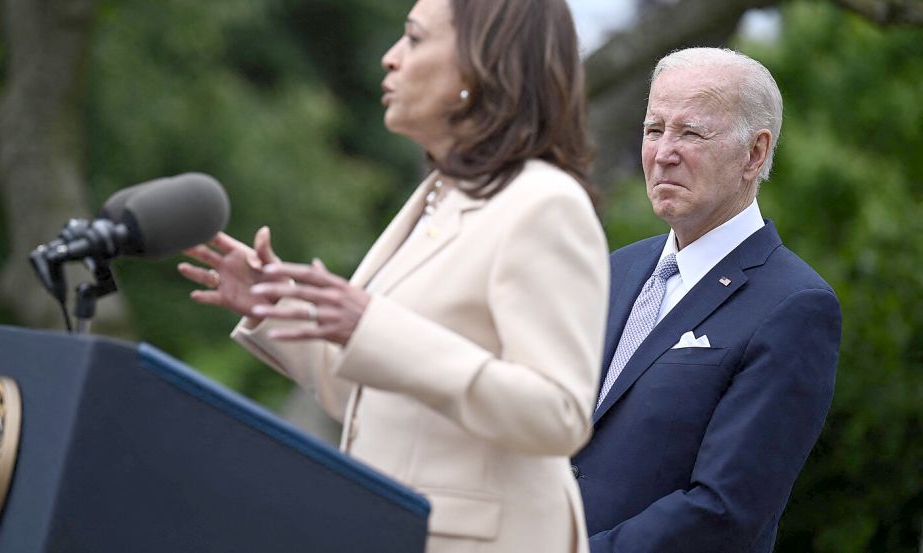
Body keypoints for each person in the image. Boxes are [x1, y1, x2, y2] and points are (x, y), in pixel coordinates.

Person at [177, 0, 609, 551]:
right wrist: (280, 307)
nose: (390, 59)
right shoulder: (436, 197)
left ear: (482, 64)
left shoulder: (544, 204)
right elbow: (370, 400)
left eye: (413, 38)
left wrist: (374, 328)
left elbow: (559, 413)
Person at [570, 47, 843, 552]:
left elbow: (726, 510)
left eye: (691, 133)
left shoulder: (795, 306)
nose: (663, 152)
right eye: (654, 130)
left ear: (755, 153)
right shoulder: (617, 269)